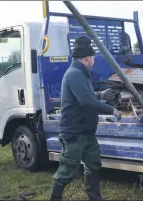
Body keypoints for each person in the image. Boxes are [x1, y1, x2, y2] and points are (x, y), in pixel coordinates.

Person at [49, 36, 122, 201]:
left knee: (93, 164)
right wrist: (112, 110)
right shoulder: (74, 74)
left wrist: (100, 95)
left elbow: (86, 95)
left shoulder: (81, 73)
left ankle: (94, 197)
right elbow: (86, 101)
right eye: (93, 58)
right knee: (66, 170)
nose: (94, 61)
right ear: (87, 58)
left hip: (86, 132)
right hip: (74, 133)